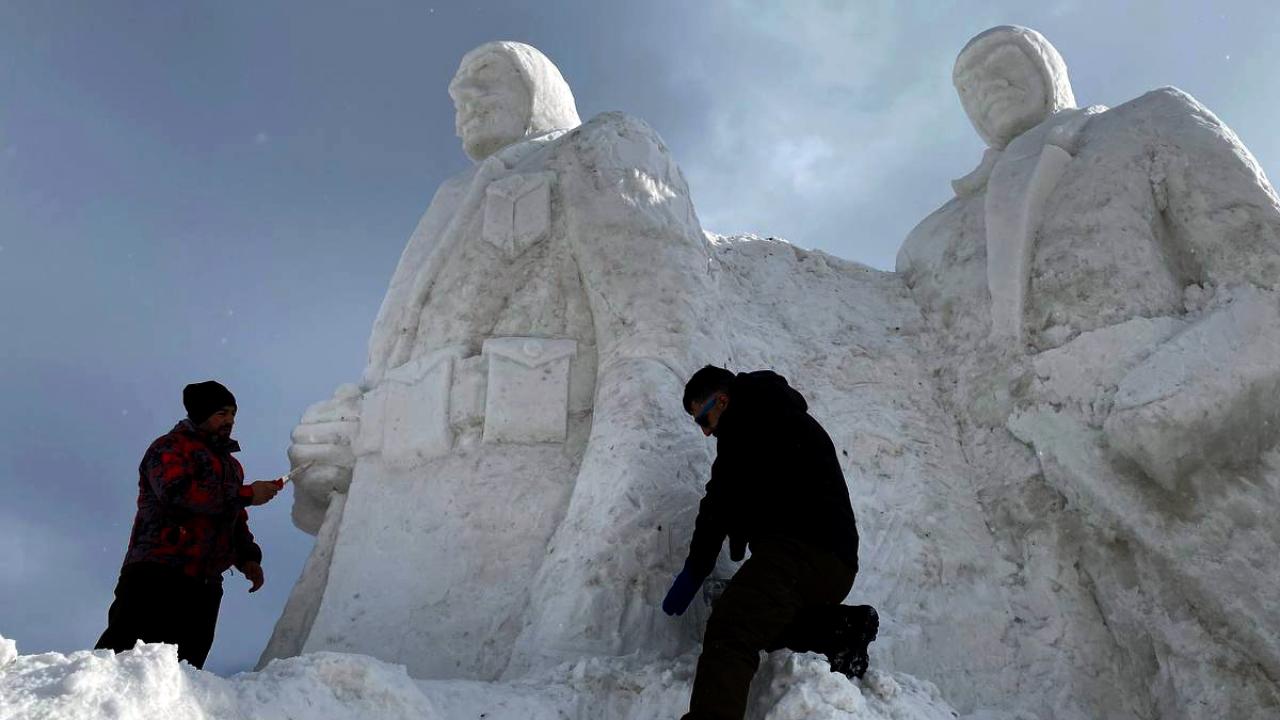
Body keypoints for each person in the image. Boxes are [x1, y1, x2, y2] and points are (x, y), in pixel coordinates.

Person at [664, 365, 877, 720]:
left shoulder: (747, 423)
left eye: (704, 418)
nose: (705, 432)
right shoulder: (775, 414)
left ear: (723, 400)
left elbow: (717, 504)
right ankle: (842, 629)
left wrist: (695, 570)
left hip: (798, 552)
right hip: (836, 565)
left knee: (731, 629)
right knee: (763, 619)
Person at [95, 380, 282, 669]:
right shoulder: (168, 448)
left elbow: (234, 518)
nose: (230, 420)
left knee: (183, 672)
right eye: (222, 413)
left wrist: (247, 557)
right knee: (122, 661)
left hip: (204, 585)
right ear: (200, 413)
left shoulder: (231, 465)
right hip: (156, 573)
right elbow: (177, 493)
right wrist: (246, 493)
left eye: (233, 413)